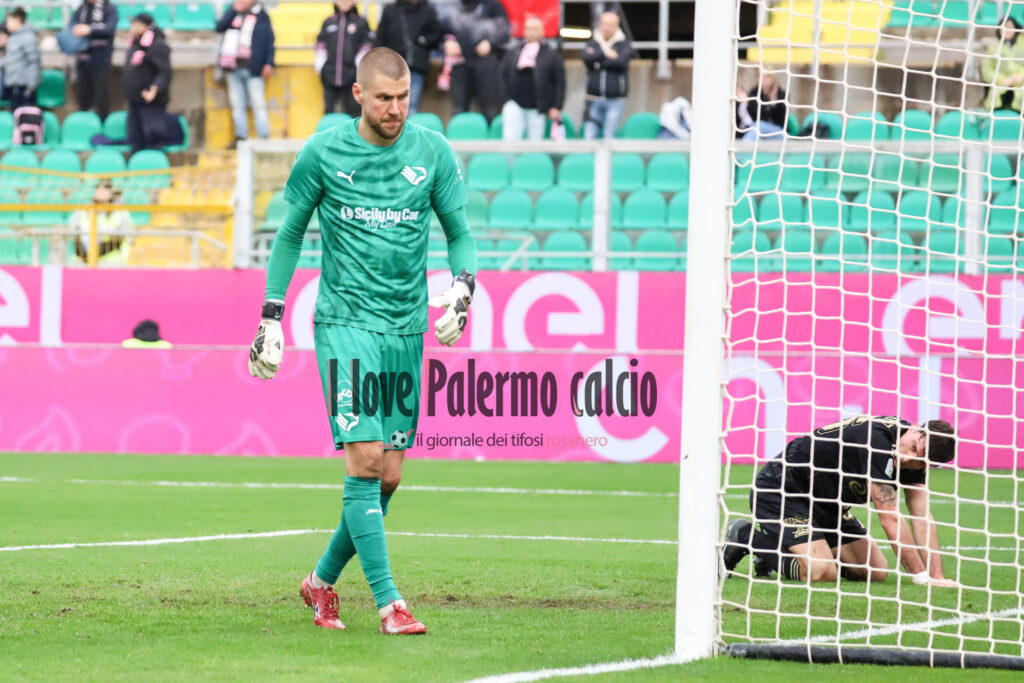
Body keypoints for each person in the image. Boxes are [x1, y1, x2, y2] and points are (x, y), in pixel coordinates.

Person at [247, 47, 478, 635]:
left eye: (403, 98)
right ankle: (389, 604)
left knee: (389, 475)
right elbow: (289, 235)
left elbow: (460, 232)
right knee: (367, 458)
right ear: (358, 95)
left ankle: (320, 581)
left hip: (406, 326)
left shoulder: (433, 151)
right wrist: (271, 316)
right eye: (383, 99)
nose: (395, 109)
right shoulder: (323, 152)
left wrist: (463, 288)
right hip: (345, 322)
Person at [722, 416, 959, 586]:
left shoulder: (915, 462)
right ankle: (746, 536)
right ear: (914, 428)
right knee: (822, 572)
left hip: (827, 505)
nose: (907, 458)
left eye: (919, 461)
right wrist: (920, 577)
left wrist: (937, 577)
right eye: (913, 447)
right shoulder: (877, 442)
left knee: (875, 571)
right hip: (783, 490)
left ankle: (785, 548)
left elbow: (921, 516)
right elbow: (891, 520)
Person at [216, 0, 275, 144]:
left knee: (258, 103)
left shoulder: (261, 15)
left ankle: (263, 138)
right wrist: (234, 10)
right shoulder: (233, 12)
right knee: (237, 104)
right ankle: (241, 137)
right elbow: (219, 27)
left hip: (254, 68)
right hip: (233, 66)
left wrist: (268, 63)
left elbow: (269, 41)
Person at [441, 0, 510, 122]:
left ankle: (491, 134)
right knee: (459, 107)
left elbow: (504, 32)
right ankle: (459, 134)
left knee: (489, 107)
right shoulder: (454, 7)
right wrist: (447, 42)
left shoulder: (493, 5)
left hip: (486, 63)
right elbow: (441, 32)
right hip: (459, 63)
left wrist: (490, 43)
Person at [500, 15, 564, 142]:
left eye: (535, 29)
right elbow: (504, 76)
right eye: (528, 29)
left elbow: (560, 82)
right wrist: (506, 99)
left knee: (535, 143)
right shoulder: (513, 52)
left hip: (538, 107)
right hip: (515, 104)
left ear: (542, 31)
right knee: (510, 141)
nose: (531, 32)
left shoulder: (552, 54)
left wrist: (556, 106)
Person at [374, 0, 441, 116]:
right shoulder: (390, 9)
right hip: (391, 66)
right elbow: (380, 37)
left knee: (411, 104)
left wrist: (422, 40)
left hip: (416, 65)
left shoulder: (428, 9)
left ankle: (408, 128)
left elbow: (436, 35)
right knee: (388, 103)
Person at [315, 0, 374, 117]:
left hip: (352, 77)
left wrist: (359, 68)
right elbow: (320, 45)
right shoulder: (328, 22)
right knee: (329, 111)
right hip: (330, 75)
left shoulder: (361, 22)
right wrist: (321, 66)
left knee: (354, 112)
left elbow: (367, 45)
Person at [124, 13, 172, 154]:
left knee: (153, 137)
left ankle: (154, 163)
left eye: (135, 24)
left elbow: (164, 72)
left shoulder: (157, 45)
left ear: (144, 26)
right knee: (135, 137)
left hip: (151, 101)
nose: (132, 27)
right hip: (135, 99)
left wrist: (154, 89)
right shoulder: (136, 44)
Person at [581, 11, 631, 140]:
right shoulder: (592, 42)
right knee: (589, 136)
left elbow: (620, 62)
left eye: (611, 25)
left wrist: (597, 61)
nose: (607, 28)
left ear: (617, 26)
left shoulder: (624, 44)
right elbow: (586, 59)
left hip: (615, 100)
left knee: (609, 136)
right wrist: (606, 53)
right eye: (605, 24)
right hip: (592, 98)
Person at [70, 0, 118, 120]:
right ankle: (84, 123)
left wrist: (90, 30)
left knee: (101, 95)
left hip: (101, 60)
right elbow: (72, 26)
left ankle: (102, 123)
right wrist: (77, 30)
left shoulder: (109, 8)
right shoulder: (81, 9)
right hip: (82, 59)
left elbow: (109, 29)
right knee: (83, 95)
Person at [70, 181, 134, 266]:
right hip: (83, 263)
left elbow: (120, 238)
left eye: (105, 189)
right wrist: (85, 256)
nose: (100, 192)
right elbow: (75, 235)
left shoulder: (120, 211)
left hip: (111, 264)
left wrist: (94, 254)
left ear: (111, 192)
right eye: (98, 189)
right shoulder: (84, 209)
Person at [0, 8, 41, 111]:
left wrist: (30, 87)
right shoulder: (14, 36)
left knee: (26, 117)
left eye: (9, 21)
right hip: (14, 86)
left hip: (24, 88)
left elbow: (34, 62)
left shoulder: (28, 37)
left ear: (17, 20)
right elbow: (11, 59)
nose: (7, 24)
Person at [981, 14, 1024, 112]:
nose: (1006, 30)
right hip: (1000, 88)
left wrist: (1021, 76)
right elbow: (986, 70)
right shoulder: (993, 48)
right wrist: (1001, 79)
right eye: (1003, 27)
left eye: (1009, 27)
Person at [736, 69, 787, 141]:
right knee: (757, 133)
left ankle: (745, 146)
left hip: (779, 132)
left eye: (767, 77)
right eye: (762, 77)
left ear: (773, 78)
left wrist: (773, 100)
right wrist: (744, 104)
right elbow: (753, 119)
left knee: (759, 126)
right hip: (760, 133)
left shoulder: (781, 95)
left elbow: (781, 119)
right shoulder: (754, 95)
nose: (764, 80)